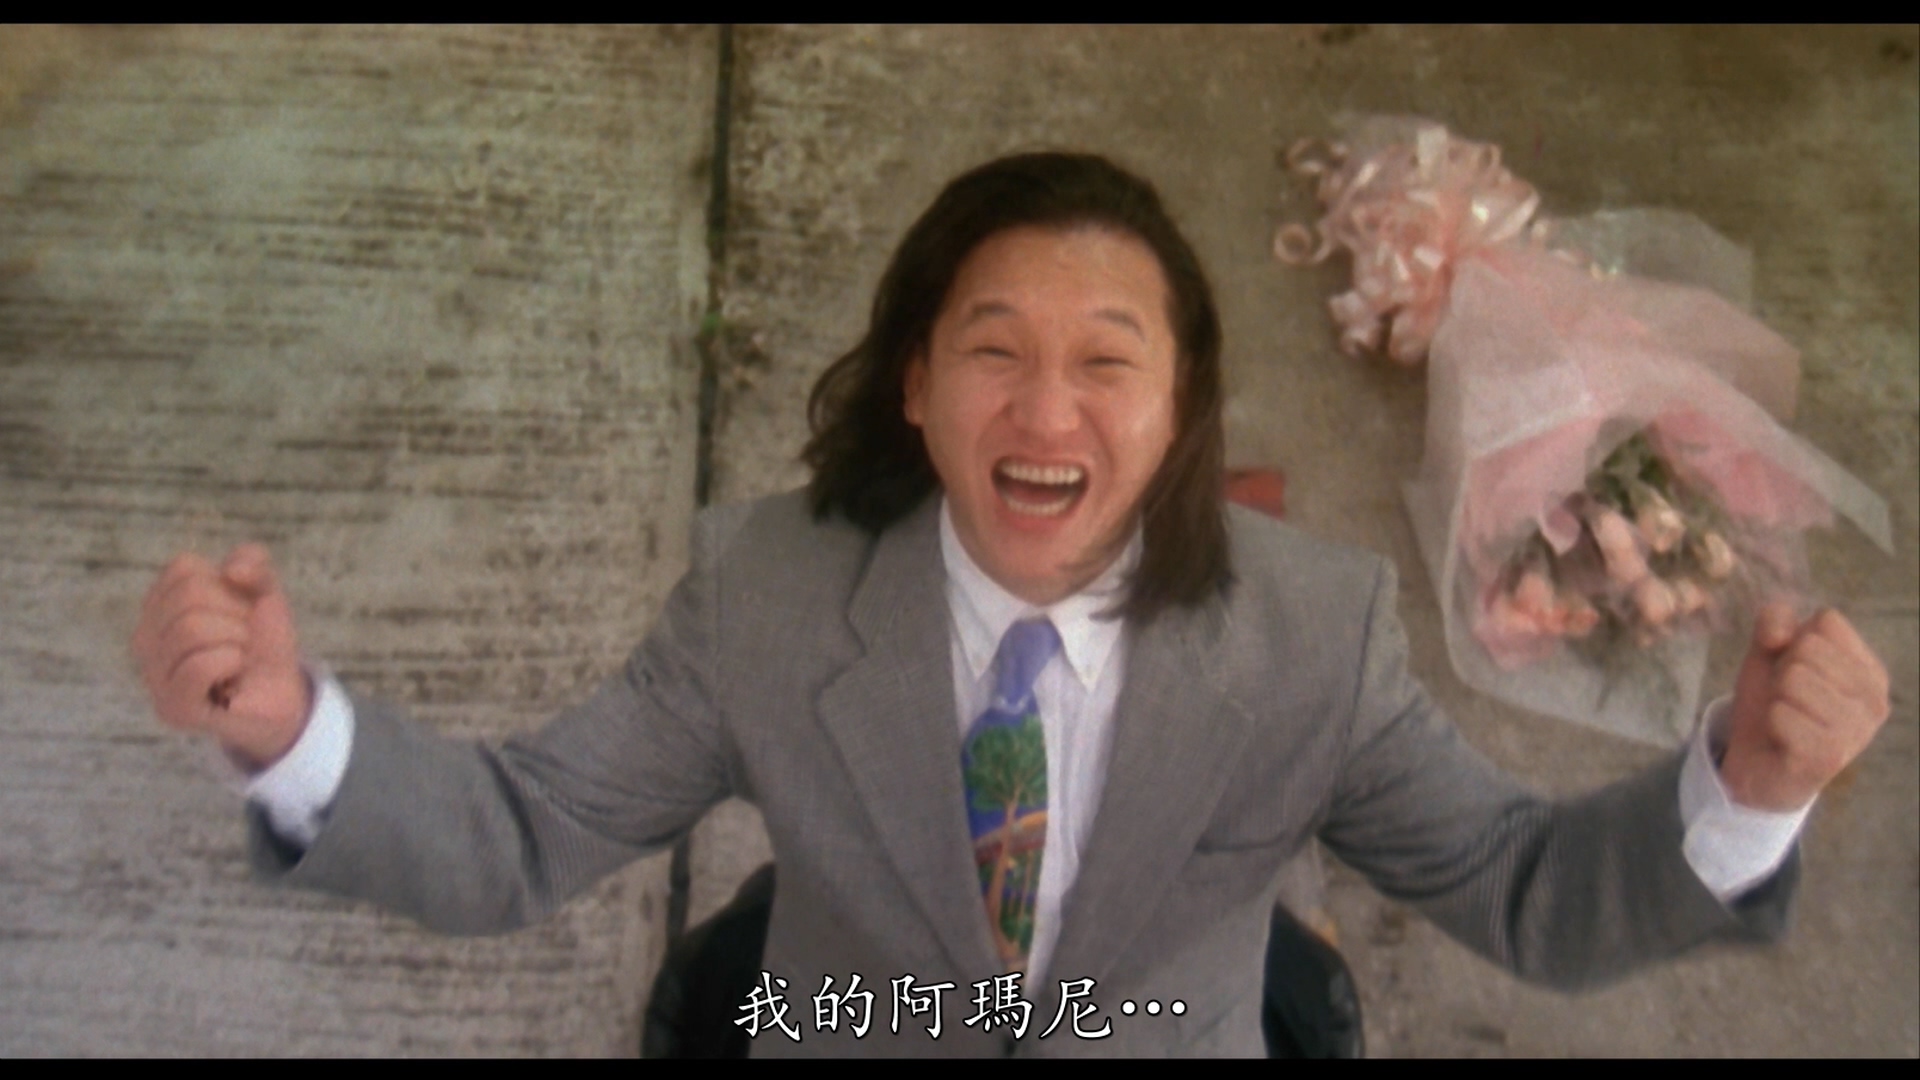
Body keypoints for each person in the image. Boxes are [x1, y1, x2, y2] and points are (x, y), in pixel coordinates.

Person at [132, 152, 1891, 1057]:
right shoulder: (764, 595)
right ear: (916, 386)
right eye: (994, 352)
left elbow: (1523, 889)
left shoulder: (1318, 634)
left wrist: (1746, 793)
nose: (1048, 416)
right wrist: (294, 737)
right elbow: (521, 832)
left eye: (1107, 363)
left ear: (1182, 410)